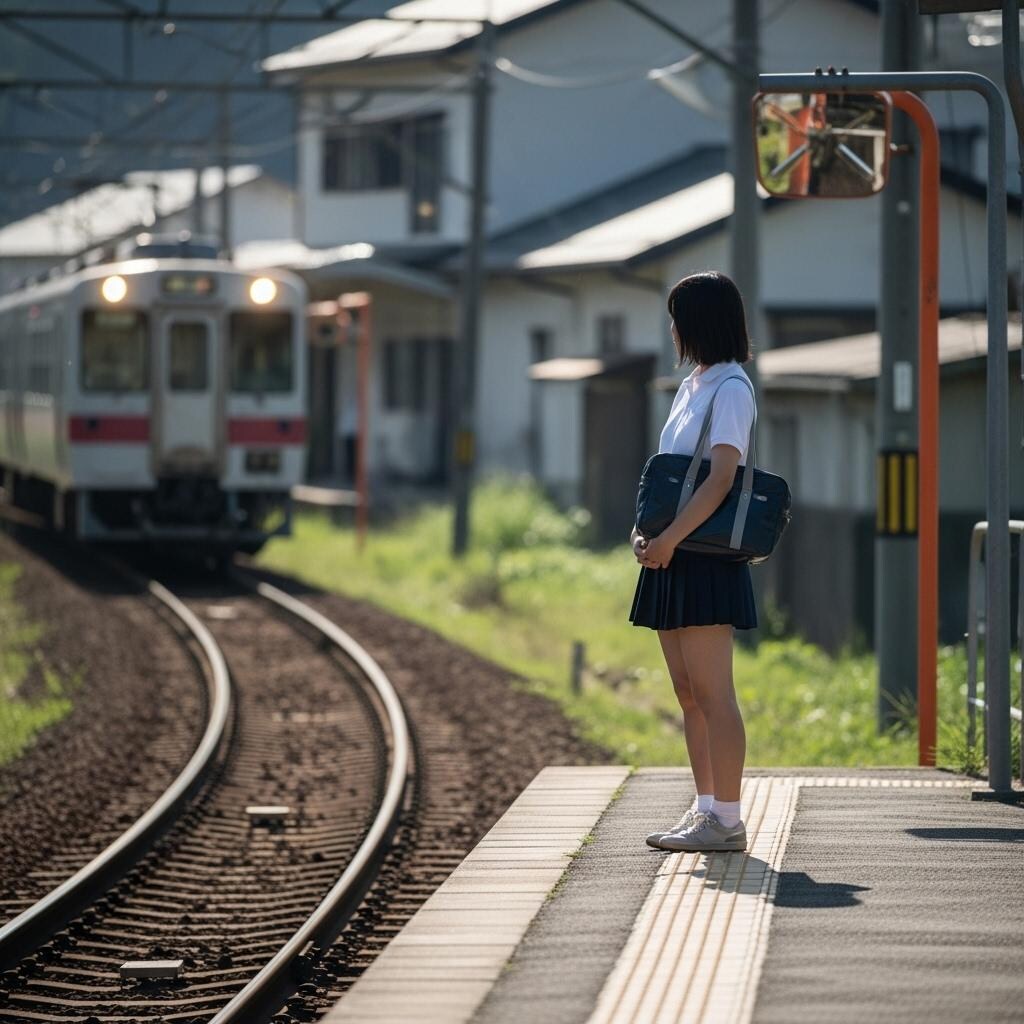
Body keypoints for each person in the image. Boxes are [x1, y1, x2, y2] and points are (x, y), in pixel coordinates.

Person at [629, 271, 757, 854]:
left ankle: (727, 819)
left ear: (698, 322)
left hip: (702, 557)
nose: (672, 326)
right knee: (687, 692)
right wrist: (646, 534)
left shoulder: (732, 388)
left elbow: (722, 477)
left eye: (678, 315)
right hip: (672, 553)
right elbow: (670, 476)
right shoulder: (693, 384)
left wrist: (673, 539)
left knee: (714, 693)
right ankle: (705, 808)